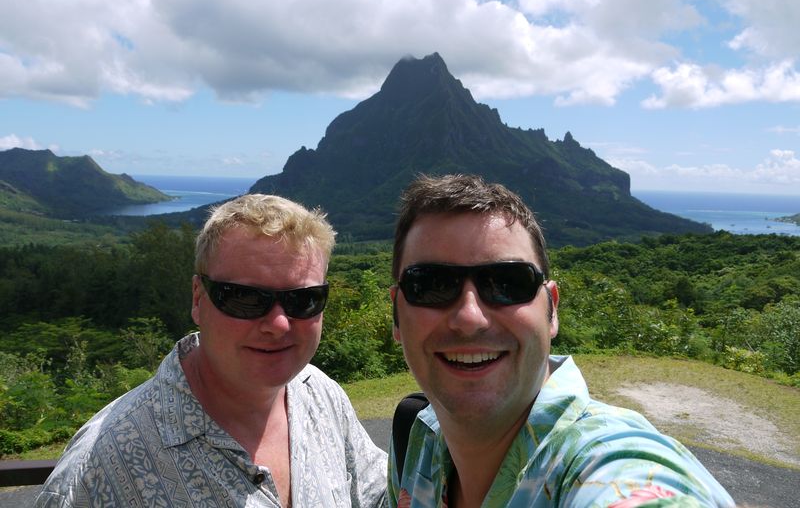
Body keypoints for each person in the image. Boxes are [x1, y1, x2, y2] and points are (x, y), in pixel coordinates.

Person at [388, 174, 734, 507]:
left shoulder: (601, 460)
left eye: (507, 283)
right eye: (430, 284)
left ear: (551, 309)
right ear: (397, 316)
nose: (469, 318)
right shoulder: (419, 438)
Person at [37, 194, 387, 507]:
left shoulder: (321, 395)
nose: (278, 324)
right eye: (245, 298)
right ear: (197, 298)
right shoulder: (102, 464)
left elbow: (377, 495)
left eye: (304, 299)